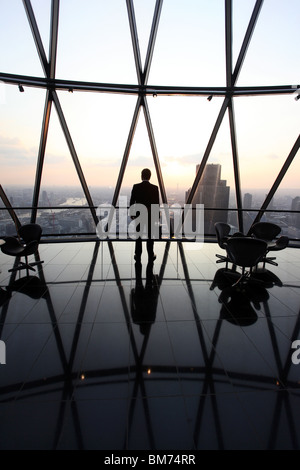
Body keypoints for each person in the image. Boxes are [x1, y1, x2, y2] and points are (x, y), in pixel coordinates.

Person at [129, 168, 159, 261]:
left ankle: (138, 255)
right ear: (150, 176)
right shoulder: (155, 188)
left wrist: (132, 213)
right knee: (150, 236)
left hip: (139, 215)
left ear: (141, 176)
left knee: (138, 236)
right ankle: (151, 254)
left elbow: (132, 201)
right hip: (150, 215)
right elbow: (156, 204)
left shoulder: (136, 187)